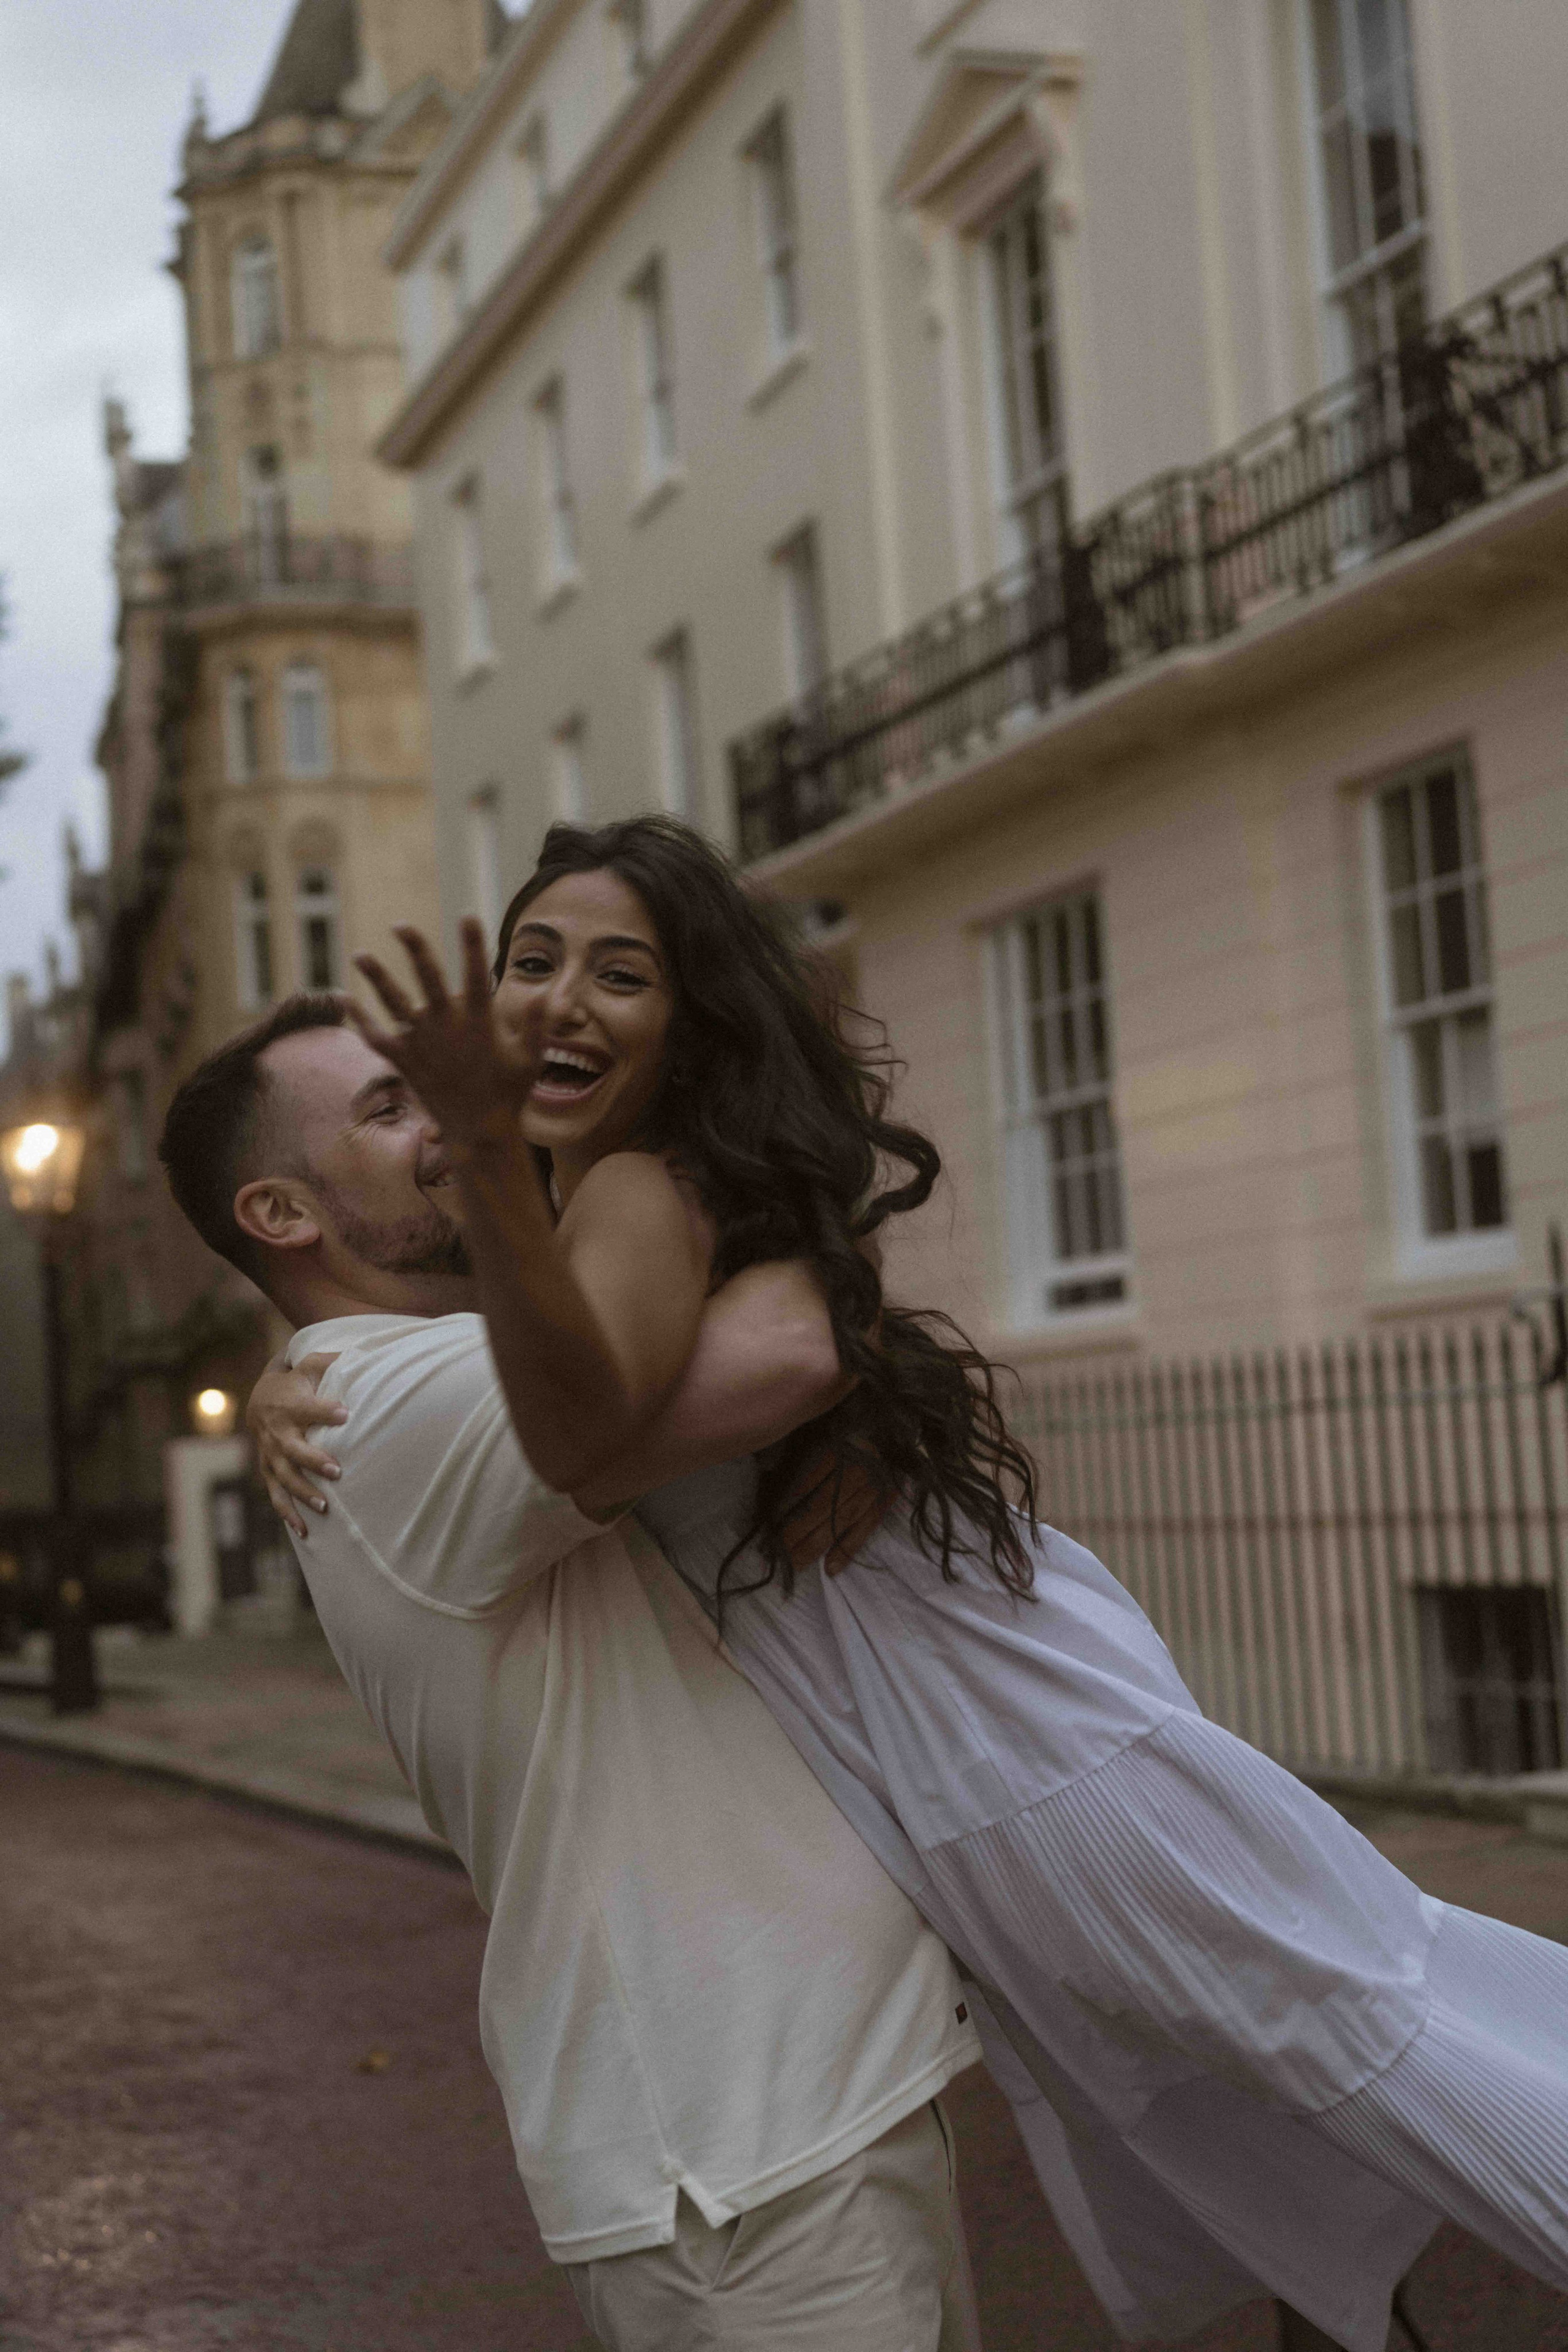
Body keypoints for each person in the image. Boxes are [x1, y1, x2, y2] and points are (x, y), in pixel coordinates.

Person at [256, 816, 1568, 2352]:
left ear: (694, 1026)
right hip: (889, 1728)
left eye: (622, 973)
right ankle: (1353, 2314)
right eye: (531, 961)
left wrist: (459, 1195)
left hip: (979, 1709)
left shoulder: (639, 1188)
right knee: (1180, 2054)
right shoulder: (553, 1224)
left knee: (1316, 2003)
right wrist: (285, 1368)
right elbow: (480, 1350)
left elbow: (605, 1416)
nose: (561, 999)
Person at [157, 993, 988, 2352]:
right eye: (389, 1109)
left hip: (798, 2113)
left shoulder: (449, 1359)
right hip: (734, 2160)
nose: (450, 1124)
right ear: (282, 1217)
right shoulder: (377, 1404)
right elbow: (790, 1347)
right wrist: (698, 1157)